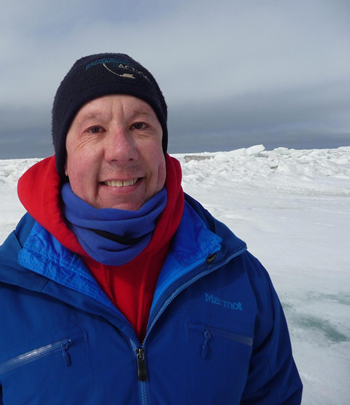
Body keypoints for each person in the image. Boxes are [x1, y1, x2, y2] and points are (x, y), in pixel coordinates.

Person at [0, 53, 302, 404]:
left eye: (140, 126)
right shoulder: (9, 287)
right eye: (94, 129)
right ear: (64, 159)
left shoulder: (239, 277)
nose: (121, 151)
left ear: (162, 146)